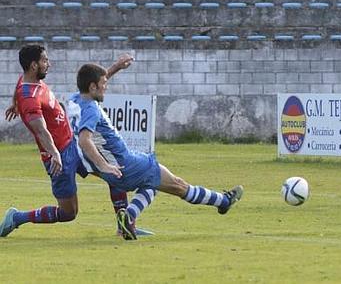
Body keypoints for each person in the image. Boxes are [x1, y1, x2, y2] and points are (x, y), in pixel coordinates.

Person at [68, 62, 243, 240]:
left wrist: (117, 67)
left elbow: (94, 84)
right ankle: (224, 201)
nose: (106, 87)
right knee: (178, 185)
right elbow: (84, 140)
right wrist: (104, 165)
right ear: (92, 86)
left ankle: (129, 216)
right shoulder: (91, 110)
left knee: (152, 185)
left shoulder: (76, 99)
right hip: (126, 164)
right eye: (103, 84)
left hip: (114, 169)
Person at [0, 44, 152, 238]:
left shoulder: (28, 82)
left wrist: (14, 103)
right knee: (68, 213)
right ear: (33, 65)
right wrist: (54, 153)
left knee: (114, 174)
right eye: (45, 60)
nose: (49, 64)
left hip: (73, 145)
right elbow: (41, 130)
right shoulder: (29, 98)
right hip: (59, 157)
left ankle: (124, 226)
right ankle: (17, 217)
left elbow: (19, 85)